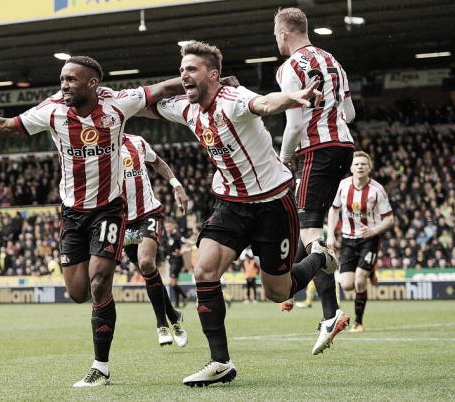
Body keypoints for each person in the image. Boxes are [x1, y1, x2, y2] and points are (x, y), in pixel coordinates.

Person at [0, 55, 185, 388]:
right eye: (62, 79)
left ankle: (100, 367)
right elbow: (6, 127)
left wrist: (211, 83)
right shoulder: (53, 110)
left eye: (71, 79)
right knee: (77, 292)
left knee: (100, 282)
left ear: (92, 83)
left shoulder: (117, 104)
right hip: (72, 215)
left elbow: (164, 87)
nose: (64, 84)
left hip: (109, 209)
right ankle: (115, 320)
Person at [142, 40, 336, 386]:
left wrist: (291, 97)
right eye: (182, 69)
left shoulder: (233, 100)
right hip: (230, 204)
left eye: (192, 69)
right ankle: (220, 362)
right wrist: (112, 105)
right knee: (203, 270)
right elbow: (147, 106)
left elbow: (263, 103)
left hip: (272, 204)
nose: (184, 75)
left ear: (213, 75)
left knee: (277, 292)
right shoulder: (188, 109)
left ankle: (318, 255)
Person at [274, 7, 354, 354]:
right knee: (309, 228)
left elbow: (293, 124)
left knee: (310, 234)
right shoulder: (334, 61)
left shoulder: (291, 67)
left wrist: (283, 160)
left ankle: (330, 313)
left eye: (275, 35)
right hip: (344, 147)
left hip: (317, 150)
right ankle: (301, 293)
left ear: (284, 34)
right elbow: (349, 113)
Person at [121, 133, 189, 347]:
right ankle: (174, 316)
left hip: (148, 213)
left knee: (146, 262)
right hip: (122, 222)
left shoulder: (137, 142)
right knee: (148, 272)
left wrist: (176, 184)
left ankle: (161, 324)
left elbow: (157, 162)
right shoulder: (96, 151)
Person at [326, 151, 394, 332]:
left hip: (369, 239)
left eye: (364, 164)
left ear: (369, 167)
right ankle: (370, 269)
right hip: (348, 239)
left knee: (359, 280)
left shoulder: (377, 190)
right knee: (347, 284)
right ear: (351, 167)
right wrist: (331, 235)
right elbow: (333, 210)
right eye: (356, 164)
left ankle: (359, 322)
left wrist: (374, 230)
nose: (360, 167)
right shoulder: (343, 185)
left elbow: (389, 220)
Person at [163, 219, 188, 308]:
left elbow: (184, 245)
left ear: (173, 226)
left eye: (168, 226)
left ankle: (185, 297)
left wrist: (181, 251)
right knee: (174, 283)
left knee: (172, 283)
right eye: (166, 226)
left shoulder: (177, 235)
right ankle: (177, 303)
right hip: (171, 261)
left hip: (177, 261)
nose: (167, 228)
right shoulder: (168, 236)